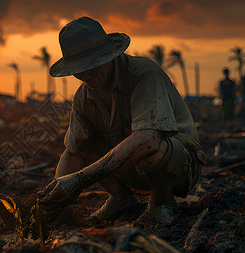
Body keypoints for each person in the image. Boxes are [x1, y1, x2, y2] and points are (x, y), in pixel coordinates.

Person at [36, 17, 205, 227]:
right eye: (79, 69)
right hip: (132, 169)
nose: (86, 74)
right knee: (84, 142)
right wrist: (56, 195)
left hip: (179, 164)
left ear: (108, 56)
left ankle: (162, 203)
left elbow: (148, 140)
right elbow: (74, 151)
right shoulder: (83, 97)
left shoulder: (143, 74)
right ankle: (120, 197)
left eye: (92, 65)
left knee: (149, 146)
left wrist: (79, 180)